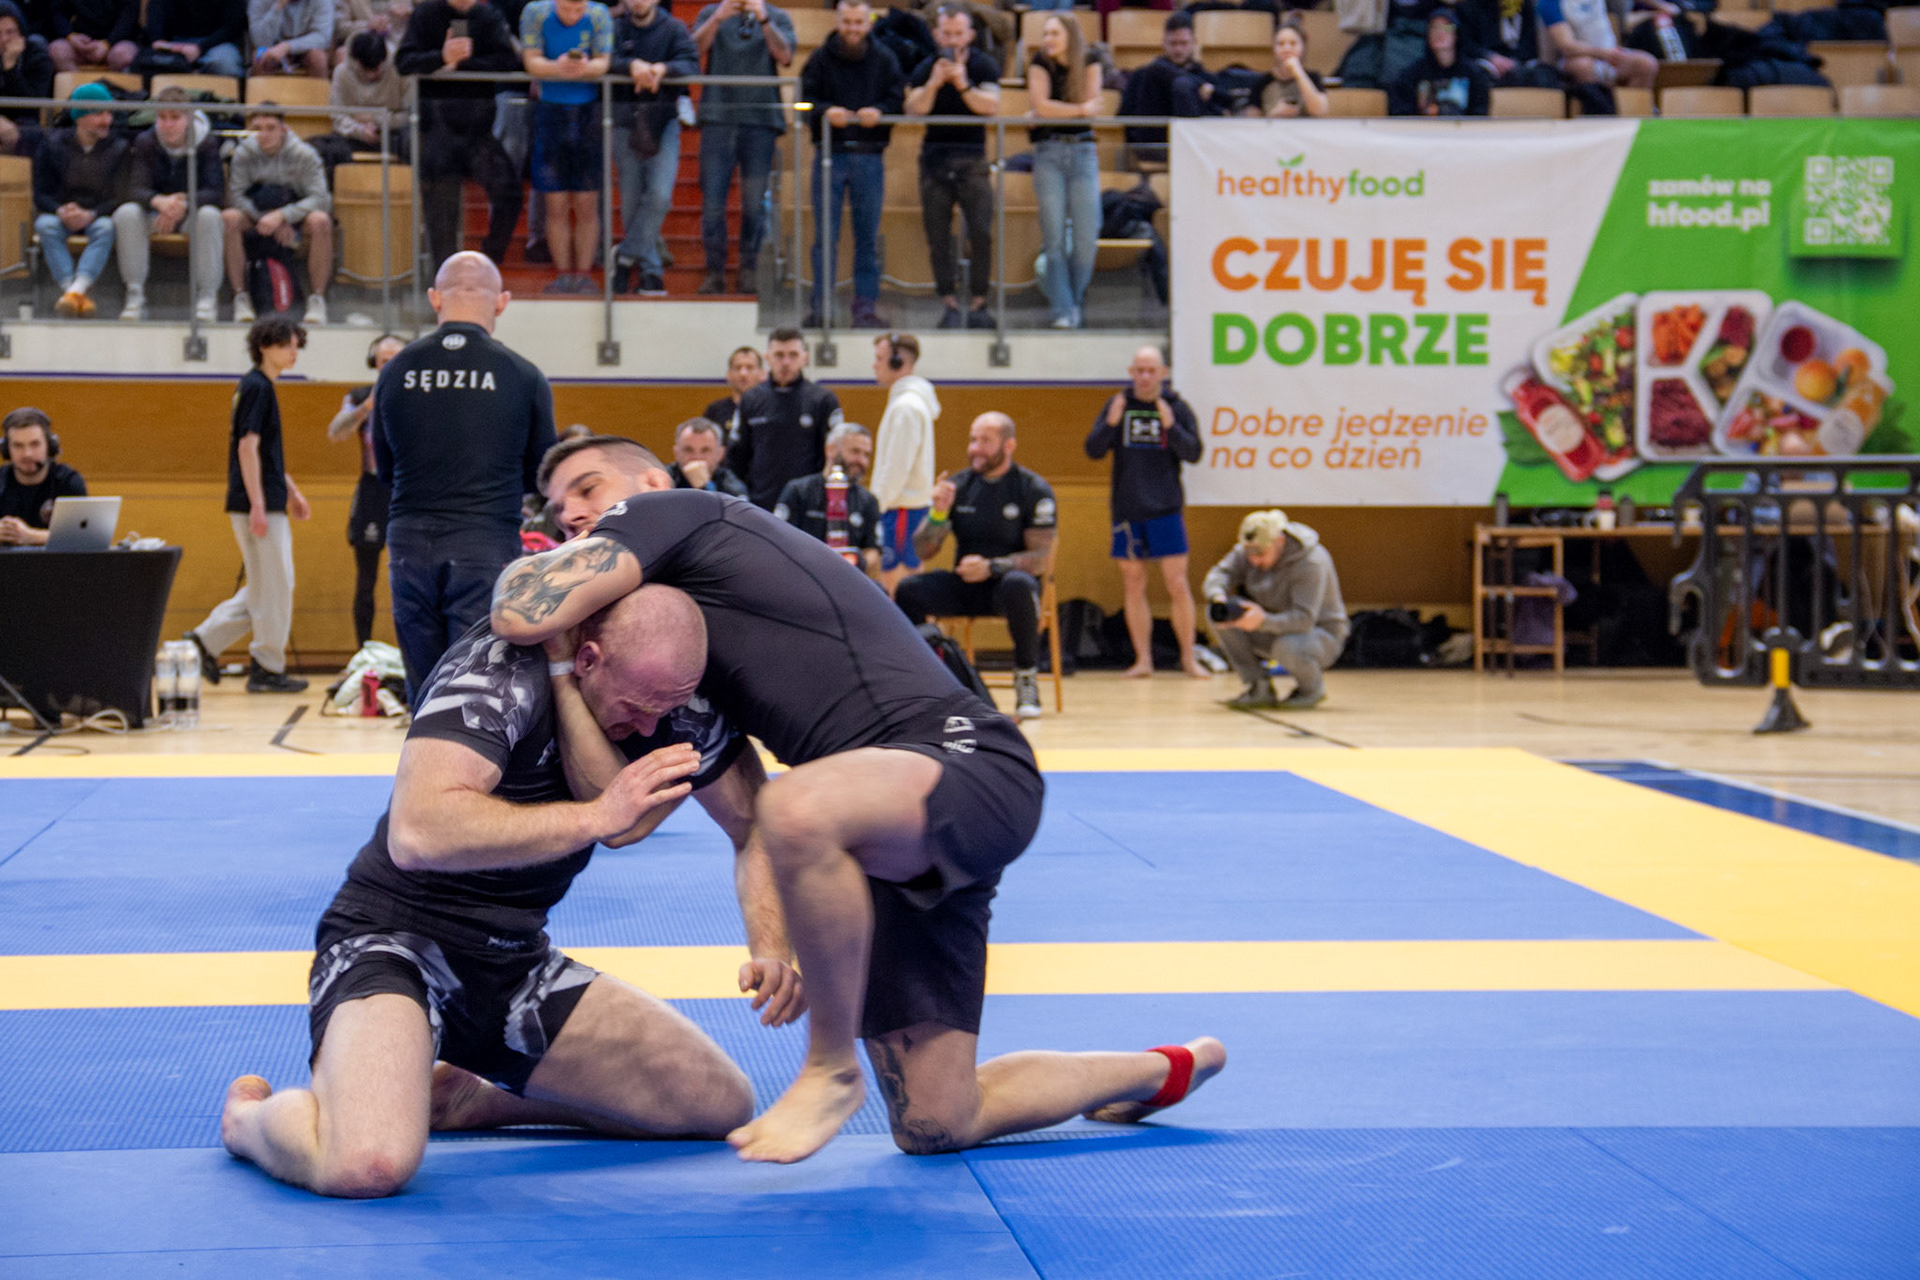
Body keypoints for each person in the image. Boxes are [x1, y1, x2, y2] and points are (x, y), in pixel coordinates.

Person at [491, 435, 1226, 1167]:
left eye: (587, 488)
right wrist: (770, 946)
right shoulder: (689, 649)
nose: (571, 513)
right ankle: (1159, 1073)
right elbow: (690, 817)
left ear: (651, 481)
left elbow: (521, 611)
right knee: (937, 1119)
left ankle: (829, 1067)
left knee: (800, 806)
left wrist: (530, 578)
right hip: (878, 820)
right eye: (557, 506)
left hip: (962, 760)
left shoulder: (675, 510)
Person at [220, 586, 804, 1198]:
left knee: (715, 1102)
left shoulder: (670, 700)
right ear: (588, 660)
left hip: (513, 966)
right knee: (367, 1165)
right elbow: (417, 832)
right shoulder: (499, 672)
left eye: (668, 709)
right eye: (637, 708)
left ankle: (472, 1098)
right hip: (392, 943)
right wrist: (595, 816)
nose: (650, 727)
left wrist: (771, 945)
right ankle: (249, 1123)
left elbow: (755, 820)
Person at [374, 252, 558, 699]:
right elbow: (543, 472)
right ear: (502, 302)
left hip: (410, 538)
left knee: (424, 680)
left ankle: (422, 740)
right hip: (484, 538)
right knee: (473, 681)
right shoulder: (523, 374)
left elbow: (384, 466)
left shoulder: (395, 370)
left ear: (435, 299)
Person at [896, 411, 1054, 721]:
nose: (975, 448)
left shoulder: (1032, 488)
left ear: (1009, 445)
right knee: (908, 589)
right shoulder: (959, 485)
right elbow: (923, 551)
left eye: (985, 441)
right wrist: (938, 514)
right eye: (972, 440)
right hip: (966, 585)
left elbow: (1040, 558)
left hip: (1006, 588)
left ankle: (1026, 677)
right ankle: (928, 677)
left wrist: (992, 567)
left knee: (1020, 584)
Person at [184, 317, 313, 695]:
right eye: (287, 344)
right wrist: (259, 503)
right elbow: (247, 447)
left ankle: (203, 642)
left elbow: (266, 456)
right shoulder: (257, 387)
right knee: (277, 587)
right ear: (265, 346)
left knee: (265, 586)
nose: (294, 352)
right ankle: (266, 668)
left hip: (264, 499)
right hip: (258, 504)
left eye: (296, 345)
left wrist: (291, 492)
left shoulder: (259, 386)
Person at [1086, 347, 1206, 680]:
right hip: (1127, 509)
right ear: (1131, 372)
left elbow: (1194, 452)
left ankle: (1188, 658)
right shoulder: (1117, 405)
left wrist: (1171, 426)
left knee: (1177, 583)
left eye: (1151, 370)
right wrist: (1111, 423)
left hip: (1165, 507)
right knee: (1133, 582)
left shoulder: (1177, 407)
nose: (1144, 377)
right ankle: (1143, 660)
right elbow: (1093, 450)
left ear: (1163, 373)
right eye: (1139, 370)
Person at [397, 0, 524, 273]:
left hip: (477, 130)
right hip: (436, 129)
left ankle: (487, 263)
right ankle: (445, 277)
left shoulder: (488, 16)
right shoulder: (426, 13)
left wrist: (463, 63)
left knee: (510, 193)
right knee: (441, 211)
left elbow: (508, 61)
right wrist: (441, 58)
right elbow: (404, 62)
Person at [798, 0, 901, 330]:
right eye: (847, 22)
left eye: (858, 22)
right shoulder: (818, 58)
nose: (852, 29)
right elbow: (802, 103)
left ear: (868, 22)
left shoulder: (885, 59)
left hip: (870, 156)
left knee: (867, 238)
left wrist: (881, 112)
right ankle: (822, 308)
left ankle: (865, 310)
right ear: (838, 20)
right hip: (830, 155)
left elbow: (898, 100)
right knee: (824, 238)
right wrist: (824, 111)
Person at [903, 6, 998, 331]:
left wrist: (962, 84)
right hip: (935, 161)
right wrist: (934, 83)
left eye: (959, 34)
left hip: (973, 160)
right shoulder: (925, 67)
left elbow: (990, 107)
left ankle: (980, 302)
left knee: (981, 233)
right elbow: (913, 109)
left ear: (969, 35)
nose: (953, 40)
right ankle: (949, 303)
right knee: (938, 236)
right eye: (947, 34)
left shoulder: (983, 65)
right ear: (936, 35)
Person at [691, 0, 793, 295]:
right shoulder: (711, 12)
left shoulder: (777, 16)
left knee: (753, 205)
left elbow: (785, 55)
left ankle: (748, 268)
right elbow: (693, 51)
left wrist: (764, 20)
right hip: (717, 119)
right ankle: (714, 271)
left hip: (760, 122)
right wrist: (718, 18)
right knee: (712, 203)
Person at [1203, 508, 1349, 711]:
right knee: (1220, 615)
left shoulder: (1310, 561)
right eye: (1249, 554)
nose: (1254, 560)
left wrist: (1262, 621)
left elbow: (1304, 620)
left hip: (1319, 634)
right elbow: (1219, 574)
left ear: (1279, 541)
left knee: (1287, 646)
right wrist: (1217, 596)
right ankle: (1258, 687)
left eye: (1260, 554)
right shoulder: (1250, 549)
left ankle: (1311, 690)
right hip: (1274, 625)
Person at [520, 0, 613, 295]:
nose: (573, 16)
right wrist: (557, 67)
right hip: (550, 113)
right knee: (556, 203)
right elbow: (532, 61)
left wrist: (583, 68)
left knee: (587, 203)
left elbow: (603, 63)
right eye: (566, 10)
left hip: (588, 115)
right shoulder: (536, 13)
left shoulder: (598, 15)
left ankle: (583, 275)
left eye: (578, 10)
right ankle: (563, 275)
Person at [113, 86, 223, 322]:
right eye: (162, 117)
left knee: (211, 215)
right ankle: (135, 294)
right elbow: (134, 188)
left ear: (188, 119)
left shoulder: (207, 143)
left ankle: (207, 296)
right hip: (156, 214)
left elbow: (215, 192)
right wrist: (159, 201)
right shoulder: (146, 141)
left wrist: (184, 203)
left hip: (190, 216)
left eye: (175, 117)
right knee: (126, 213)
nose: (168, 124)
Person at [610, 0, 696, 297]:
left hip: (663, 120)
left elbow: (691, 64)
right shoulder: (616, 27)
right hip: (624, 119)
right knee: (631, 200)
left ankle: (624, 256)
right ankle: (651, 271)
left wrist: (663, 69)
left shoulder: (673, 28)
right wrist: (630, 66)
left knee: (659, 196)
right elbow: (604, 60)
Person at [328, 332, 407, 649]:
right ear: (374, 362)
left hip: (407, 491)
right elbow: (336, 432)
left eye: (396, 360)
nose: (390, 366)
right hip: (373, 490)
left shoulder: (420, 396)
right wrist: (367, 406)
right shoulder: (360, 395)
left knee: (410, 578)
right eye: (384, 360)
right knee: (366, 580)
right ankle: (363, 651)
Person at [223, 108, 334, 324]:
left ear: (284, 129)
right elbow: (235, 196)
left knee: (321, 220)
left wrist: (283, 217)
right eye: (258, 129)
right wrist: (266, 218)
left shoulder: (304, 154)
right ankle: (240, 297)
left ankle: (317, 299)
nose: (263, 134)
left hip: (296, 217)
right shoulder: (244, 154)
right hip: (257, 216)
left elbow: (321, 199)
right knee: (229, 218)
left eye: (270, 128)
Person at [1026, 14, 1100, 331]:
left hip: (1083, 153)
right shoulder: (1039, 62)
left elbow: (1094, 108)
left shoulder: (1091, 60)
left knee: (1086, 238)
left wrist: (1055, 111)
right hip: (1049, 153)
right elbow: (1043, 107)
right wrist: (1079, 110)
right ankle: (1064, 309)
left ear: (1070, 35)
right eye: (1045, 33)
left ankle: (1072, 302)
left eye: (1054, 33)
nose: (1048, 39)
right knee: (1053, 237)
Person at [32, 81, 126, 319]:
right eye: (99, 114)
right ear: (80, 117)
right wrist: (60, 210)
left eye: (109, 113)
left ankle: (74, 291)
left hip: (98, 214)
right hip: (62, 214)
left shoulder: (119, 147)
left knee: (106, 227)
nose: (107, 120)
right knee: (45, 225)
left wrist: (91, 214)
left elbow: (121, 195)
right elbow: (40, 194)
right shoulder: (52, 144)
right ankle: (74, 292)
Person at [730, 325, 843, 510]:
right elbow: (737, 457)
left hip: (806, 507)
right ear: (768, 358)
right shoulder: (750, 399)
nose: (786, 362)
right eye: (779, 355)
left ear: (804, 358)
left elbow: (833, 457)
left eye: (793, 355)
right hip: (760, 505)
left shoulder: (823, 400)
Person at [867, 331, 937, 597]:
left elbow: (896, 467)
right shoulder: (907, 402)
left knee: (895, 587)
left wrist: (875, 508)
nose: (874, 365)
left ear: (897, 362)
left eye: (879, 358)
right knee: (904, 586)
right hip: (905, 508)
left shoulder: (906, 407)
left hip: (900, 509)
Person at [773, 421, 881, 577]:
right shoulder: (798, 491)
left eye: (867, 455)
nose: (862, 461)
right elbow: (779, 540)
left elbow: (873, 551)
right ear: (830, 449)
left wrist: (853, 563)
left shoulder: (868, 501)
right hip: (802, 576)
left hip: (847, 580)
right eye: (855, 452)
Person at [1120, 13, 1223, 165]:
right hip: (1153, 149)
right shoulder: (1142, 76)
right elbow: (1126, 115)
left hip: (1197, 151)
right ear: (1164, 43)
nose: (1178, 49)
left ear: (1194, 43)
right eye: (1173, 43)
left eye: (1184, 43)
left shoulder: (1208, 79)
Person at [0, 407, 85, 546]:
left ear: (49, 446)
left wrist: (30, 537)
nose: (27, 453)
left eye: (35, 444)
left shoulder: (68, 481)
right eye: (18, 446)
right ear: (6, 450)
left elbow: (83, 536)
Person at [326, 31, 408, 167]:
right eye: (366, 70)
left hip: (393, 134)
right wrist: (360, 131)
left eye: (376, 69)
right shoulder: (341, 73)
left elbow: (410, 115)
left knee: (415, 142)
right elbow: (338, 117)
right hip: (353, 135)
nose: (371, 75)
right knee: (324, 148)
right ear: (356, 62)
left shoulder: (400, 70)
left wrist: (375, 119)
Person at [1388, 7, 1492, 116]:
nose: (1440, 33)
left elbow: (1480, 114)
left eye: (1447, 28)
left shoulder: (1474, 74)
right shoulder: (1410, 75)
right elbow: (1402, 114)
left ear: (1456, 34)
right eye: (1434, 28)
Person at [1539, 0, 1656, 90]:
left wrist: (1661, 6)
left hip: (1609, 53)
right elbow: (1567, 46)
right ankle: (1597, 108)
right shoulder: (1549, 3)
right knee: (1584, 67)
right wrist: (1604, 53)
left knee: (1645, 63)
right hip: (1573, 59)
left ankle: (1632, 111)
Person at [0, 2, 54, 158]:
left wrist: (10, 68)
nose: (4, 39)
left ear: (21, 32)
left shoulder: (37, 57)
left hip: (23, 123)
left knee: (30, 134)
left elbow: (30, 107)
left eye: (10, 32)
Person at [1246, 17, 1328, 118]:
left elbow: (1320, 110)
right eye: (1281, 44)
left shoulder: (1313, 77)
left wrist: (1298, 72)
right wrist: (1273, 115)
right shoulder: (1263, 82)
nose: (1287, 49)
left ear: (1303, 46)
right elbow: (1252, 120)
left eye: (1293, 43)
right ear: (1274, 48)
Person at [145, 0, 249, 77]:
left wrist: (200, 48)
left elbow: (233, 27)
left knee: (226, 64)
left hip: (217, 44)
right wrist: (177, 48)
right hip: (175, 45)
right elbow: (156, 34)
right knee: (151, 63)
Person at [40, 0, 138, 73]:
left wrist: (107, 44)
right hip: (79, 43)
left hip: (117, 42)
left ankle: (112, 91)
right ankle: (77, 90)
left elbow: (129, 17)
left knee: (123, 55)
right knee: (57, 51)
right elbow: (58, 12)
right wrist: (71, 36)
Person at [668, 416, 749, 497]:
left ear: (720, 454)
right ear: (676, 452)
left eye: (705, 450)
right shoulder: (665, 479)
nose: (697, 457)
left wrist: (706, 486)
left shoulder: (732, 487)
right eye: (688, 450)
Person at [250, 0, 333, 76]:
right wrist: (278, 7)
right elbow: (260, 41)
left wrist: (287, 47)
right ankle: (261, 88)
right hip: (273, 47)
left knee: (318, 57)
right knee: (260, 57)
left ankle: (319, 88)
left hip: (306, 48)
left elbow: (322, 37)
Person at [703, 344, 766, 444]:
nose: (743, 373)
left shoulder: (770, 409)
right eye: (737, 368)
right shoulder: (715, 410)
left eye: (750, 368)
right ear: (728, 375)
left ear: (762, 374)